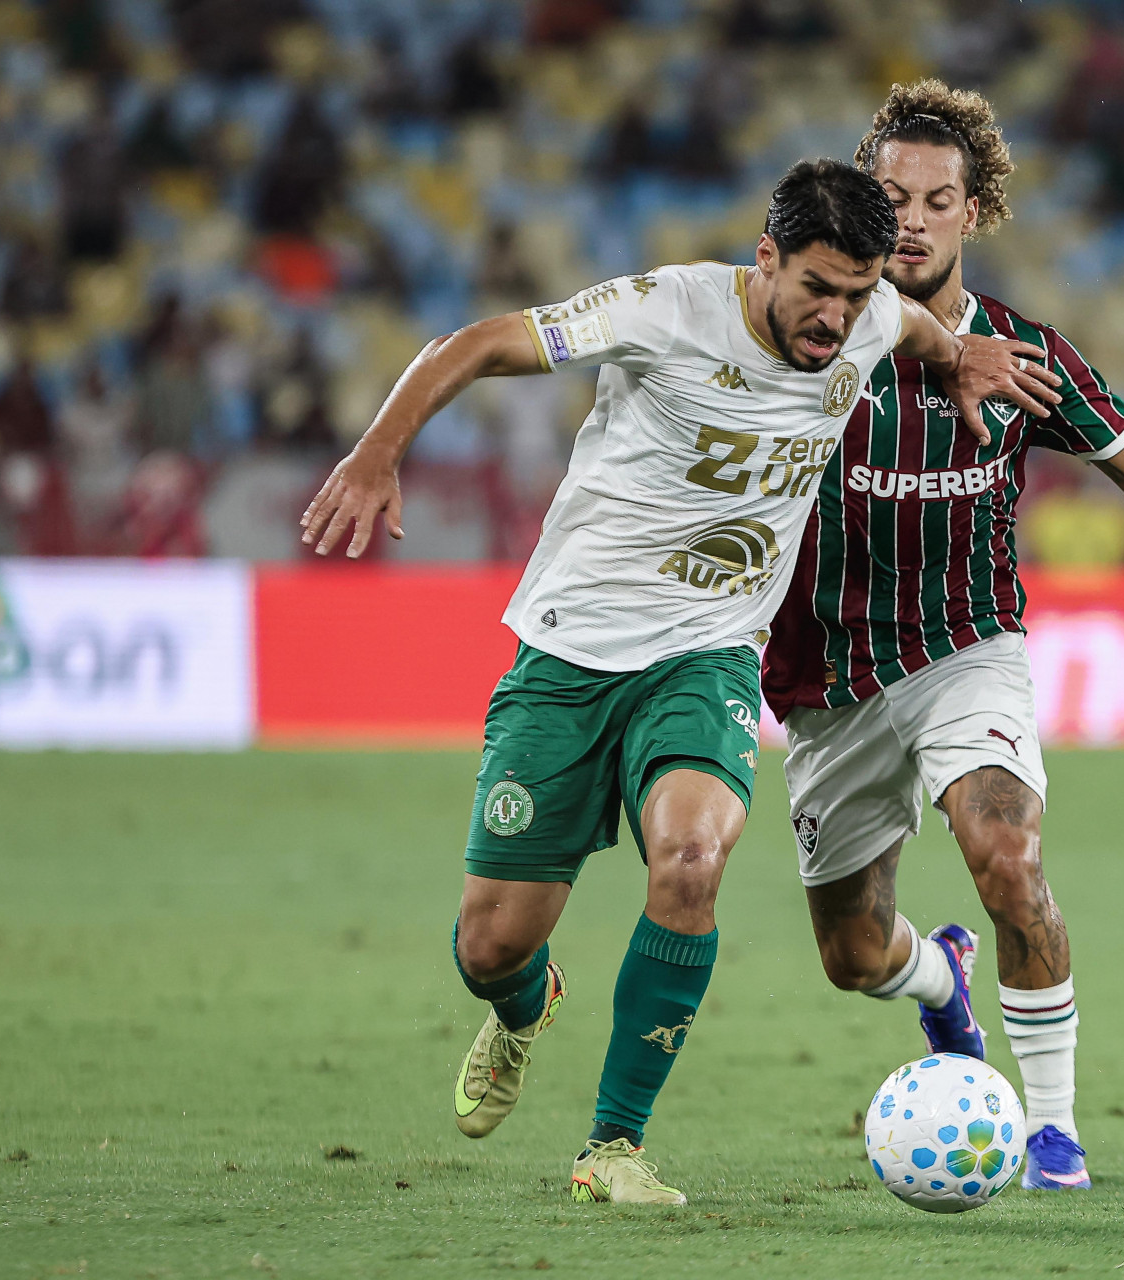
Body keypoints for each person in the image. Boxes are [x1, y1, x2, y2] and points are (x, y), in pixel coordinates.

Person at [299, 159, 1056, 1206]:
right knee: (490, 945)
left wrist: (964, 355)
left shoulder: (875, 315)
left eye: (855, 294)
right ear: (766, 258)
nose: (837, 318)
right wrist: (378, 453)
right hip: (570, 656)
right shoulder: (664, 310)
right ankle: (523, 1004)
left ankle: (613, 1145)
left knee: (693, 860)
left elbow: (916, 328)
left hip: (709, 655)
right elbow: (473, 345)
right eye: (816, 289)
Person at [760, 82, 1124, 1193]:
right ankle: (939, 982)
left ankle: (1053, 1132)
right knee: (853, 956)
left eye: (940, 200)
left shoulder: (1027, 355)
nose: (915, 220)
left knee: (1008, 853)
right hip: (827, 678)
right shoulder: (807, 340)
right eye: (894, 198)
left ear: (975, 210)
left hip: (966, 647)